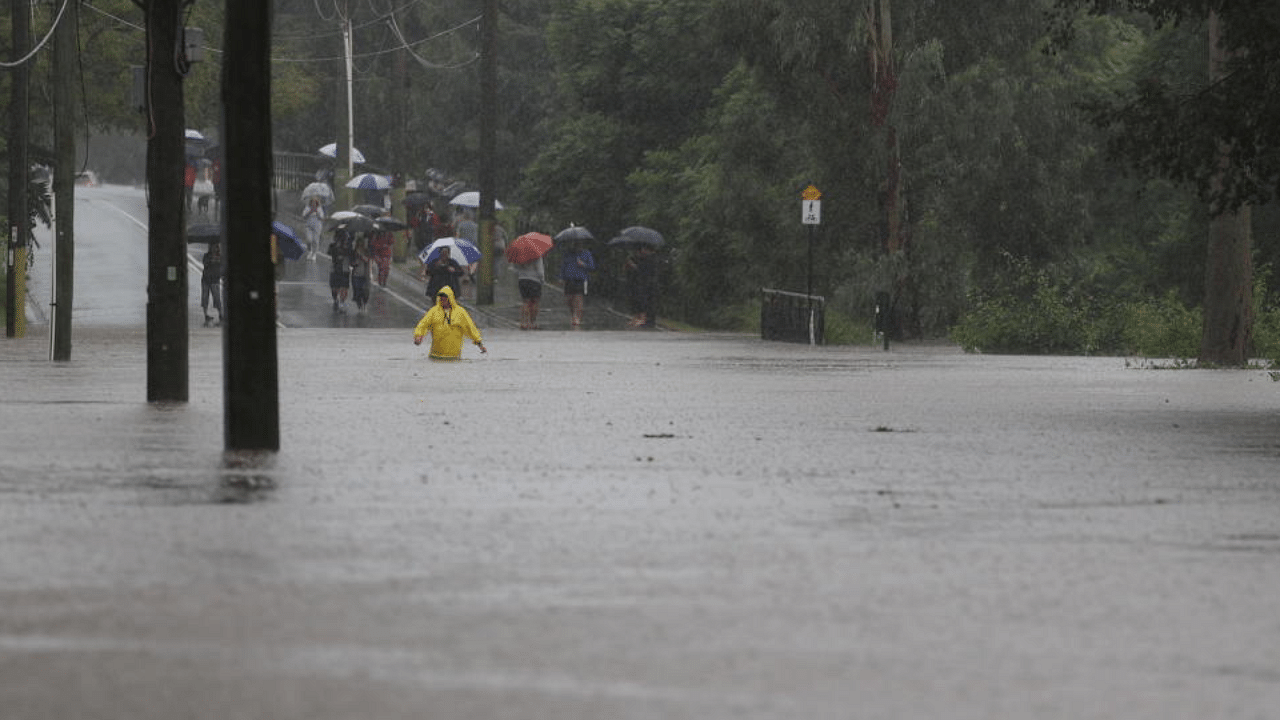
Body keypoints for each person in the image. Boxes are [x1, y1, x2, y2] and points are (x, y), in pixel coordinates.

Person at [412, 286, 487, 360]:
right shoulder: (433, 311)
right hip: (436, 356)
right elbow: (423, 324)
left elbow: (471, 328)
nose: (443, 299)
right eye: (441, 296)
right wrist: (418, 336)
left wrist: (479, 344)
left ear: (450, 298)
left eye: (445, 296)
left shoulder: (460, 312)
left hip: (454, 356)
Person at [559, 240, 596, 327]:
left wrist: (583, 264)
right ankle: (573, 314)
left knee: (578, 298)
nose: (577, 245)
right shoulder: (568, 254)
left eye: (579, 244)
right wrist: (561, 277)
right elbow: (563, 265)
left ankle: (577, 317)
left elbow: (592, 266)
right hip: (569, 279)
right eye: (576, 244)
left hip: (580, 279)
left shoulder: (586, 253)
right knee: (569, 299)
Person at [626, 245, 659, 328]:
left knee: (645, 302)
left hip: (648, 283)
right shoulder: (644, 258)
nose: (642, 251)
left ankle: (645, 319)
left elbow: (643, 270)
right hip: (641, 282)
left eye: (644, 249)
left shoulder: (651, 259)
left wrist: (633, 265)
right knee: (638, 300)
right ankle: (637, 318)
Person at [511, 255, 544, 330]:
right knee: (535, 302)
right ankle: (533, 322)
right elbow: (540, 270)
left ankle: (524, 322)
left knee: (525, 301)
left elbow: (515, 269)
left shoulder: (518, 255)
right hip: (534, 280)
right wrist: (542, 279)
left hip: (522, 280)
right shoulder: (536, 255)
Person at [328, 229, 353, 313]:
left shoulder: (349, 244)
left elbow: (351, 255)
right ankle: (336, 299)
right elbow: (330, 252)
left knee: (344, 286)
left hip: (345, 268)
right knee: (334, 287)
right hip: (335, 267)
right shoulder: (334, 244)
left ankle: (342, 301)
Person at [200, 242, 223, 326]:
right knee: (205, 297)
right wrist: (211, 260)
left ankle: (221, 315)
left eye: (216, 247)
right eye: (213, 247)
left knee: (217, 298)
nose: (215, 248)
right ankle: (206, 315)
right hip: (206, 279)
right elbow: (205, 264)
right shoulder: (207, 256)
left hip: (215, 280)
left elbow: (222, 267)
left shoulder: (220, 256)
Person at [349, 236, 372, 312]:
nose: (360, 246)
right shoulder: (354, 252)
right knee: (357, 291)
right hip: (356, 275)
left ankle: (364, 304)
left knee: (365, 291)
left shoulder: (367, 252)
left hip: (365, 275)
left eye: (361, 244)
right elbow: (351, 263)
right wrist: (355, 261)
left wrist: (360, 255)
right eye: (359, 244)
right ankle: (359, 305)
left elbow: (367, 260)